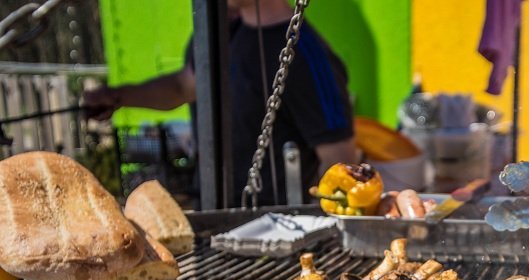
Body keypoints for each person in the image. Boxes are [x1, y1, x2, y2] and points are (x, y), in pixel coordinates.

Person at [83, 0, 357, 206]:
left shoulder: (309, 56)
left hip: (275, 228)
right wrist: (119, 96)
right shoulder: (223, 31)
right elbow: (184, 87)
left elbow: (339, 160)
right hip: (211, 214)